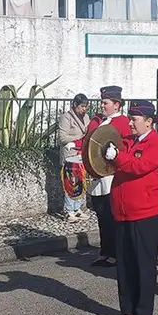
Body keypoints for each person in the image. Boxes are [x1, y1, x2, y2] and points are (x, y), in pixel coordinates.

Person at [104, 100, 158, 315]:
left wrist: (117, 157)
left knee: (143, 264)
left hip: (145, 213)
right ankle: (127, 310)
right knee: (125, 265)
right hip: (123, 211)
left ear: (149, 122)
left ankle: (142, 312)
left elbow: (138, 166)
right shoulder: (128, 142)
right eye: (130, 118)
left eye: (135, 119)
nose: (131, 123)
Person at [85, 86, 132, 267]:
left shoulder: (122, 122)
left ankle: (116, 253)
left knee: (112, 217)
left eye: (105, 102)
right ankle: (105, 251)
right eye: (102, 102)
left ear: (116, 105)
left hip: (111, 175)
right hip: (98, 175)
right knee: (102, 216)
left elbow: (126, 146)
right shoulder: (100, 121)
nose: (102, 105)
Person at [56, 93, 91, 221]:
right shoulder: (66, 118)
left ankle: (77, 209)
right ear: (75, 105)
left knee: (81, 181)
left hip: (81, 154)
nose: (84, 109)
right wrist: (80, 138)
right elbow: (62, 137)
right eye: (82, 106)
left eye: (86, 106)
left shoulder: (86, 117)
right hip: (70, 155)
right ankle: (69, 210)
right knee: (71, 182)